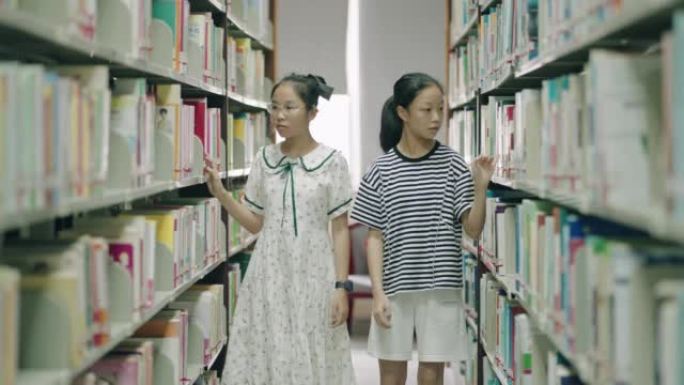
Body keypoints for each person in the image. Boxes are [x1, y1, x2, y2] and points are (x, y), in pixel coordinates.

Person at [203, 73, 356, 385]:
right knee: (268, 347)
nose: (279, 115)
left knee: (312, 344)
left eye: (289, 107)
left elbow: (340, 230)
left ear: (312, 112)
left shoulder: (332, 162)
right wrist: (221, 195)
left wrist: (342, 287)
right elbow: (256, 223)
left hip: (313, 271)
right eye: (274, 107)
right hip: (269, 272)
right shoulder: (264, 159)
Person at [350, 73, 494, 385]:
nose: (436, 118)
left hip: (441, 288)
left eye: (440, 109)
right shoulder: (381, 170)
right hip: (393, 289)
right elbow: (373, 238)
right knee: (391, 378)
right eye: (426, 110)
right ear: (402, 113)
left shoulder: (453, 164)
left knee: (432, 378)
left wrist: (480, 188)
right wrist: (377, 293)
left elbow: (472, 229)